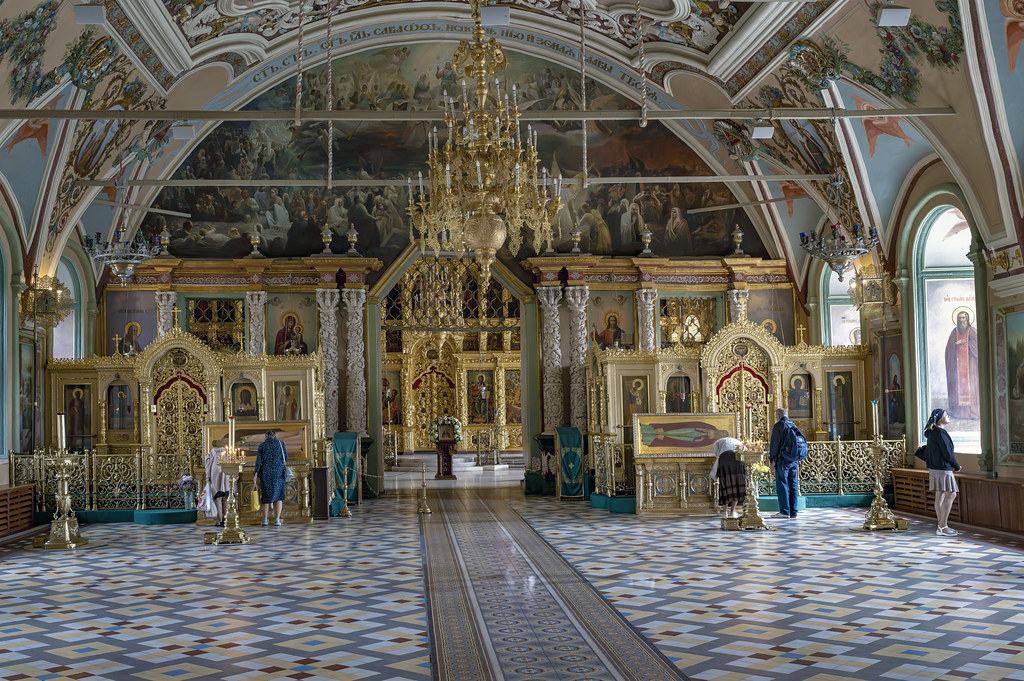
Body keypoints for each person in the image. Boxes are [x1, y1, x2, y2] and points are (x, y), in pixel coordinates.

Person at [918, 408, 962, 536]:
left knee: (940, 495)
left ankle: (941, 527)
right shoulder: (940, 433)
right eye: (946, 414)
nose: (948, 416)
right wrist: (956, 466)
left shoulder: (932, 433)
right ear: (939, 418)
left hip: (935, 468)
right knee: (951, 494)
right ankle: (943, 526)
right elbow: (947, 453)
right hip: (943, 468)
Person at [944, 310, 980, 419]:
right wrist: (956, 344)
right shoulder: (954, 332)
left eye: (963, 318)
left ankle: (973, 413)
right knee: (957, 387)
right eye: (959, 318)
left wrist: (967, 343)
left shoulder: (972, 331)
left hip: (970, 365)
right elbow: (948, 348)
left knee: (972, 387)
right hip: (957, 365)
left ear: (967, 319)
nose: (961, 320)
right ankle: (958, 412)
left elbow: (978, 347)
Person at [768, 407, 800, 519]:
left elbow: (775, 445)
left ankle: (784, 511)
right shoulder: (792, 424)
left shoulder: (779, 426)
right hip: (794, 460)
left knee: (782, 484)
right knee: (793, 485)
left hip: (782, 460)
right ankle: (794, 512)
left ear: (778, 415)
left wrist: (773, 461)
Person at [254, 430, 287, 526]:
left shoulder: (262, 446)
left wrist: (256, 474)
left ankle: (265, 519)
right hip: (278, 472)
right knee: (278, 496)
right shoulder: (280, 444)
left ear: (266, 436)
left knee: (266, 496)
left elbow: (258, 461)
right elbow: (286, 457)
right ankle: (277, 520)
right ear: (275, 436)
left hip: (266, 471)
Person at [710, 436, 746, 518]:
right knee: (737, 484)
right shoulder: (738, 442)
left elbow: (716, 454)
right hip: (738, 459)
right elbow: (745, 452)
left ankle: (724, 511)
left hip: (725, 460)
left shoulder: (718, 442)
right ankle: (733, 511)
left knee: (725, 484)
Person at [204, 437, 232, 527]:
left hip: (215, 475)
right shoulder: (229, 453)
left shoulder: (212, 453)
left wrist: (207, 477)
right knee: (226, 498)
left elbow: (208, 466)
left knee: (217, 499)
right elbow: (234, 464)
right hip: (226, 475)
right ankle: (226, 520)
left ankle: (220, 521)